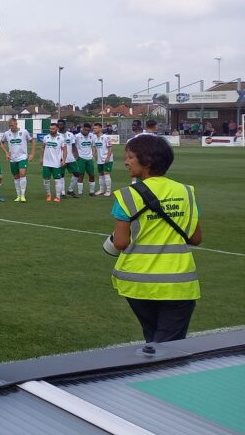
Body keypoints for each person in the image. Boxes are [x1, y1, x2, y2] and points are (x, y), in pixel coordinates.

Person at [106, 135, 201, 343]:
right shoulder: (186, 192)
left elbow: (120, 243)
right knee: (169, 344)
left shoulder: (127, 196)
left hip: (137, 282)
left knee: (154, 339)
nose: (126, 162)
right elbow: (195, 238)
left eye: (130, 157)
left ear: (147, 162)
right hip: (179, 282)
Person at [0, 118, 34, 202]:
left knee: (22, 174)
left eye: (12, 125)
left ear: (16, 124)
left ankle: (23, 195)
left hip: (23, 157)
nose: (11, 127)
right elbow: (1, 142)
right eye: (9, 125)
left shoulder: (24, 132)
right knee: (16, 176)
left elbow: (32, 141)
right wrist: (6, 152)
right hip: (13, 158)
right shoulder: (7, 133)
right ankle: (18, 195)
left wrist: (32, 154)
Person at [40, 121, 66, 202]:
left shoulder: (61, 138)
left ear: (57, 129)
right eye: (50, 129)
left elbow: (65, 150)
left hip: (56, 162)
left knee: (57, 180)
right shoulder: (46, 137)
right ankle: (48, 195)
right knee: (46, 180)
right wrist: (41, 158)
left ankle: (58, 196)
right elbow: (43, 148)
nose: (51, 130)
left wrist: (64, 160)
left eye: (53, 129)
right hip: (46, 162)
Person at [57, 119, 80, 198]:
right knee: (61, 175)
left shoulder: (70, 134)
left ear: (64, 125)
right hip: (60, 158)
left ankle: (70, 190)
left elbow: (73, 146)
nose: (60, 126)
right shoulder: (56, 135)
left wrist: (76, 155)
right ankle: (62, 193)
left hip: (70, 158)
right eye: (59, 125)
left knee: (77, 173)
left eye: (61, 124)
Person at [75, 122, 98, 196]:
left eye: (88, 130)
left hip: (89, 158)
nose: (87, 132)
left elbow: (94, 146)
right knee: (81, 175)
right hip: (81, 158)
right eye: (85, 130)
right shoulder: (77, 136)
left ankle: (91, 192)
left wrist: (93, 155)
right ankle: (80, 192)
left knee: (92, 175)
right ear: (82, 128)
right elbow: (73, 147)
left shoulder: (92, 136)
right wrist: (76, 156)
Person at [93, 121, 115, 196]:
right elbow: (95, 147)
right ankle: (101, 190)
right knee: (101, 174)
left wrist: (108, 157)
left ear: (100, 128)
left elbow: (110, 148)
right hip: (99, 160)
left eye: (96, 128)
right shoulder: (95, 138)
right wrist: (94, 155)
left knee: (106, 173)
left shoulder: (106, 137)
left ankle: (108, 191)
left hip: (106, 159)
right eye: (94, 128)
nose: (94, 129)